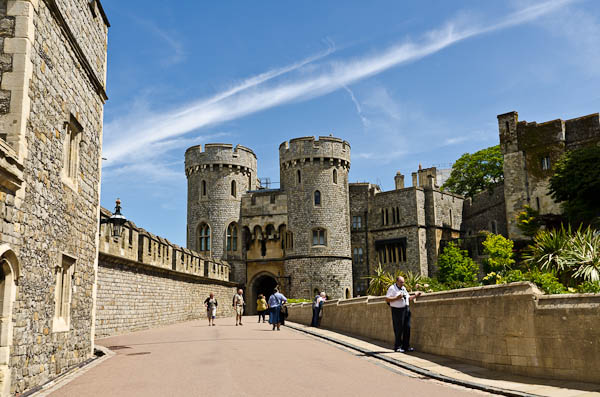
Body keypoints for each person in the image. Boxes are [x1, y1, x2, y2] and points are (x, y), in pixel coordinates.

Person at [385, 276, 421, 353]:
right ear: (397, 281)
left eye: (403, 282)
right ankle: (397, 347)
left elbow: (408, 298)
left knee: (407, 328)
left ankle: (406, 346)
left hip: (406, 309)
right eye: (401, 282)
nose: (403, 283)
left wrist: (415, 296)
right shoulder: (392, 288)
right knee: (398, 329)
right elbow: (387, 299)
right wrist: (396, 298)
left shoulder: (403, 288)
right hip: (397, 310)